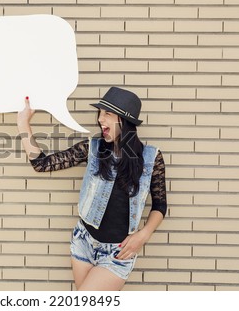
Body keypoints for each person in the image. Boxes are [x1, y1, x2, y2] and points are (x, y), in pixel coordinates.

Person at [17, 87, 167, 291]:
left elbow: (159, 205)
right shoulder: (92, 148)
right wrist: (23, 123)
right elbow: (42, 164)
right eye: (100, 113)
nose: (100, 119)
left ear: (125, 120)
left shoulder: (151, 157)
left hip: (118, 253)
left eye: (107, 114)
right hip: (83, 242)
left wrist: (144, 235)